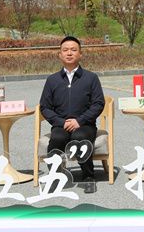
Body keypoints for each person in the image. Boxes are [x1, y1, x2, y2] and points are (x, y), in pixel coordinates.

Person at [39, 36, 105, 194]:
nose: (69, 53)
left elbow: (98, 103)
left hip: (85, 125)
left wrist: (79, 121)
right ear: (60, 55)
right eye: (65, 50)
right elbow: (45, 107)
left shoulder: (91, 78)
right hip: (60, 125)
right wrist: (61, 122)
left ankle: (88, 176)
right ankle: (55, 176)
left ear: (80, 54)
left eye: (74, 50)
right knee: (57, 138)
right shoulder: (52, 80)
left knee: (79, 137)